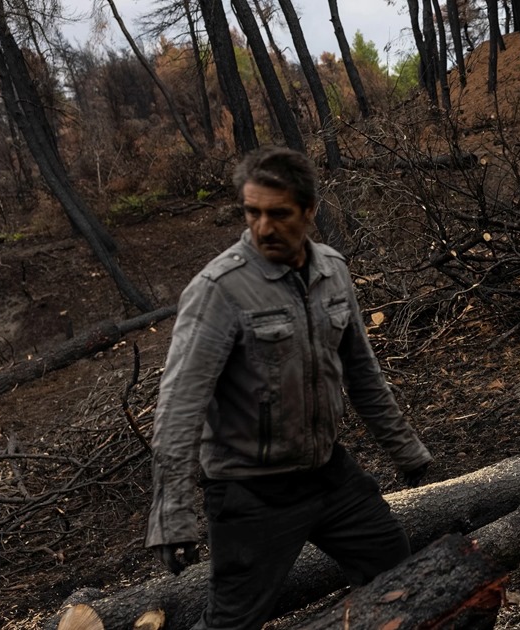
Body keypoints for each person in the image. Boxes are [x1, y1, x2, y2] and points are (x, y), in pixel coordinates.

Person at [146, 146, 433, 629]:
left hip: (327, 474)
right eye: (252, 212)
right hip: (249, 491)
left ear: (309, 210)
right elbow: (179, 408)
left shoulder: (333, 272)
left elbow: (363, 373)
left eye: (278, 214)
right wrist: (172, 515)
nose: (263, 227)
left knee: (393, 565)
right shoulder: (219, 289)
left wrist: (409, 454)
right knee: (232, 622)